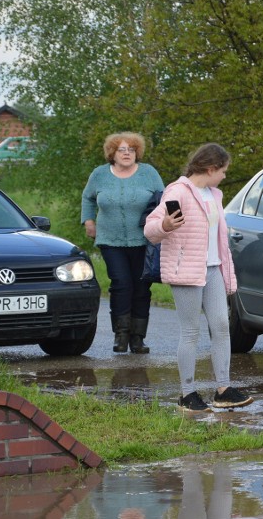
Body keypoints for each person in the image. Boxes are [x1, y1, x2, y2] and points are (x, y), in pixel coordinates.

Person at [143, 142, 253, 412]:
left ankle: (223, 389)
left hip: (213, 268)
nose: (225, 175)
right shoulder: (177, 191)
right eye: (223, 170)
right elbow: (150, 229)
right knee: (190, 331)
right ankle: (187, 393)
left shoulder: (214, 194)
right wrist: (165, 225)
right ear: (211, 167)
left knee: (221, 326)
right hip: (187, 271)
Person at [81, 132, 164, 354]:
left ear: (137, 152)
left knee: (141, 287)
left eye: (131, 149)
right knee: (120, 283)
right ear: (112, 153)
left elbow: (162, 199)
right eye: (122, 150)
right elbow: (87, 198)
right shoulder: (99, 174)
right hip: (110, 240)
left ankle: (138, 338)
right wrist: (88, 220)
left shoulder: (148, 173)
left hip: (144, 239)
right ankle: (121, 334)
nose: (127, 153)